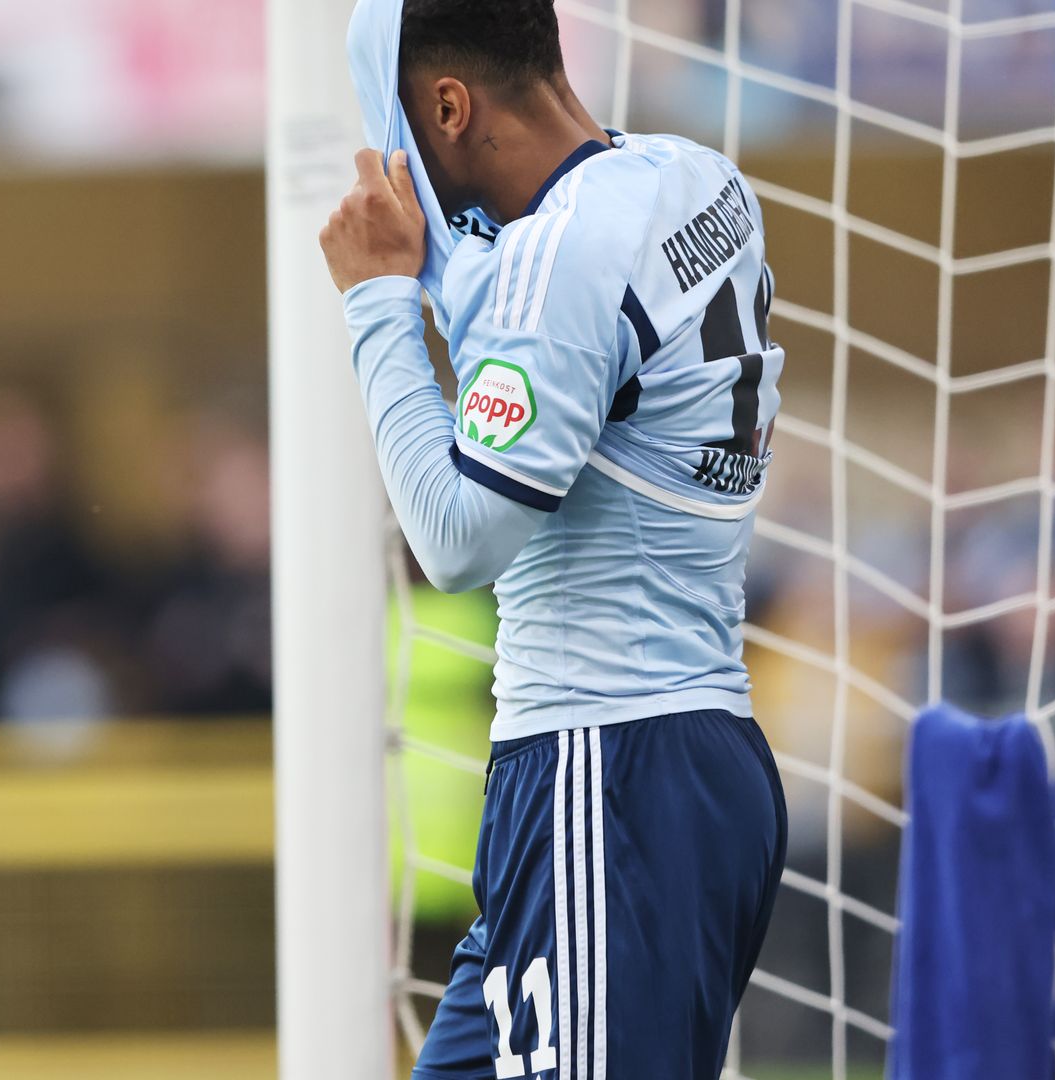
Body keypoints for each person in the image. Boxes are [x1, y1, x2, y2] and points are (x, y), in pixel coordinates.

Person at [320, 1, 788, 1076]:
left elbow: (455, 537)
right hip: (690, 759)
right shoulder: (696, 179)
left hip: (605, 774)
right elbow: (544, 325)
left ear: (447, 106)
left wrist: (379, 304)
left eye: (395, 132)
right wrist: (430, 267)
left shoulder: (561, 259)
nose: (392, 168)